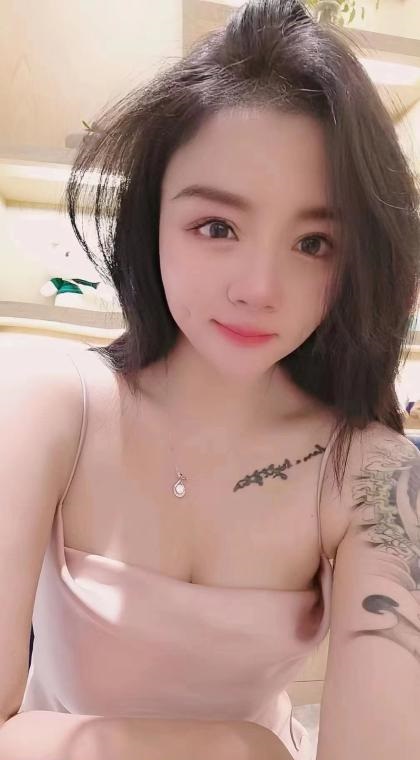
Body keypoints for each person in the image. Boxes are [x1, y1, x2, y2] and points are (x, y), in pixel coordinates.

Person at [1, 1, 419, 759]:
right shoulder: (48, 407)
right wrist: (243, 746)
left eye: (314, 243)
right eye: (217, 227)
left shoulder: (374, 475)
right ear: (151, 220)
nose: (259, 288)